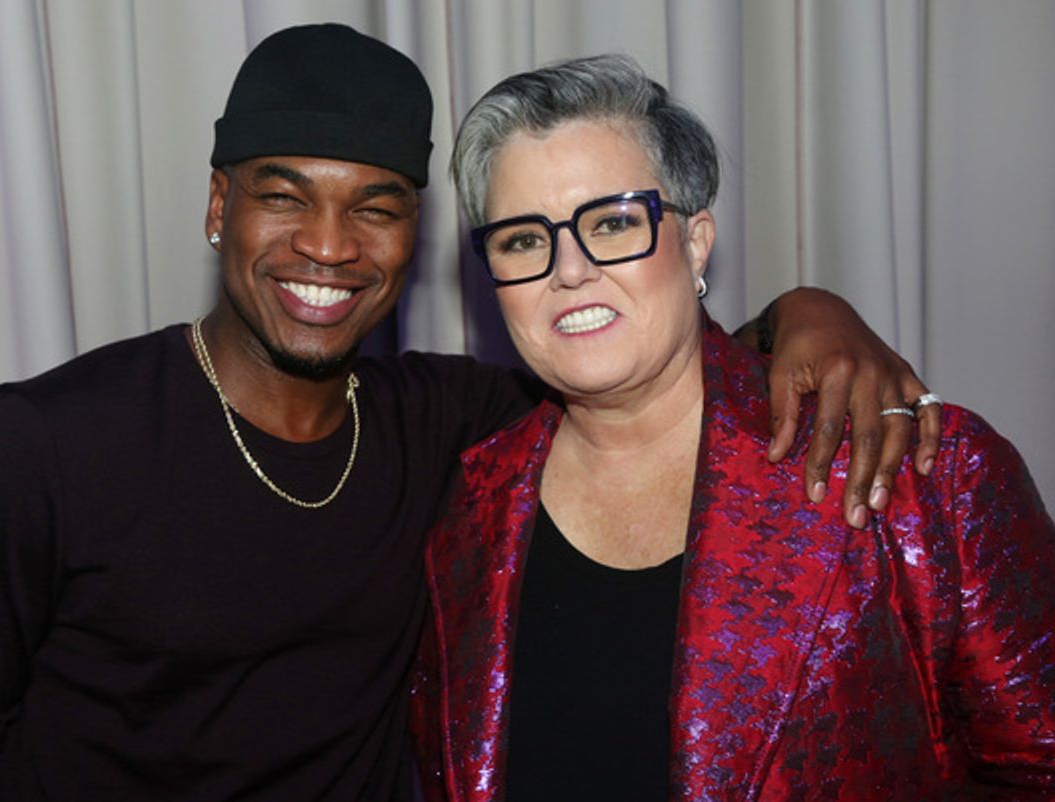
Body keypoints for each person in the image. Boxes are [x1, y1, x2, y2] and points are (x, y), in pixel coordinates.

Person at [0, 25, 935, 801]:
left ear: (414, 238)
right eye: (284, 195)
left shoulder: (455, 426)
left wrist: (811, 311)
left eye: (374, 208)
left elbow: (634, 345)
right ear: (217, 205)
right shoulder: (45, 444)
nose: (328, 247)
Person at [412, 55, 1055, 801]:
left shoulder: (917, 468)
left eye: (614, 222)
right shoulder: (468, 508)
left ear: (694, 242)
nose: (570, 269)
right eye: (523, 239)